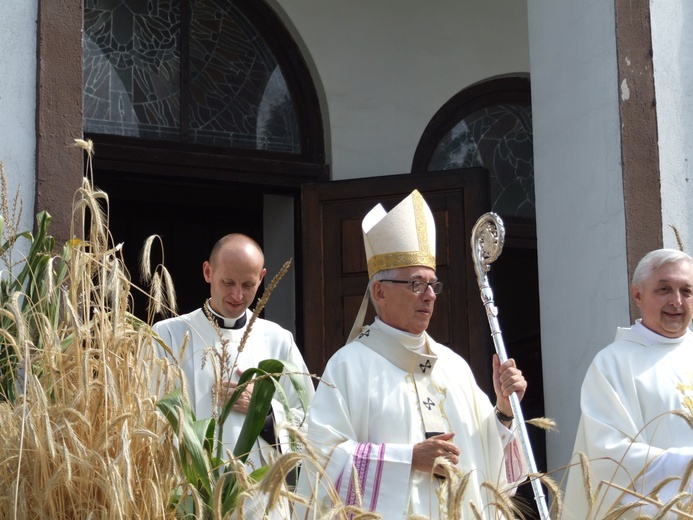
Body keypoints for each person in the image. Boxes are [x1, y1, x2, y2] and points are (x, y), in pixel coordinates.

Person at [297, 190, 529, 519]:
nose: (430, 296)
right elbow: (321, 463)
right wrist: (408, 460)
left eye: (434, 285)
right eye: (416, 284)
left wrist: (505, 413)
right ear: (380, 291)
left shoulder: (454, 367)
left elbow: (493, 473)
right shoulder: (349, 367)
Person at [152, 233, 315, 515]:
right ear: (208, 272)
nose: (237, 295)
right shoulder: (169, 335)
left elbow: (310, 424)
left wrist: (263, 413)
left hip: (261, 500)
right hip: (190, 501)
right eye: (228, 283)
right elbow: (149, 417)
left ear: (262, 278)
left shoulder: (278, 340)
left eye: (248, 285)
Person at [563, 248, 693, 519]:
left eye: (686, 291)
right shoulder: (612, 364)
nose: (677, 301)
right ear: (637, 295)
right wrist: (689, 465)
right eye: (664, 289)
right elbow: (609, 456)